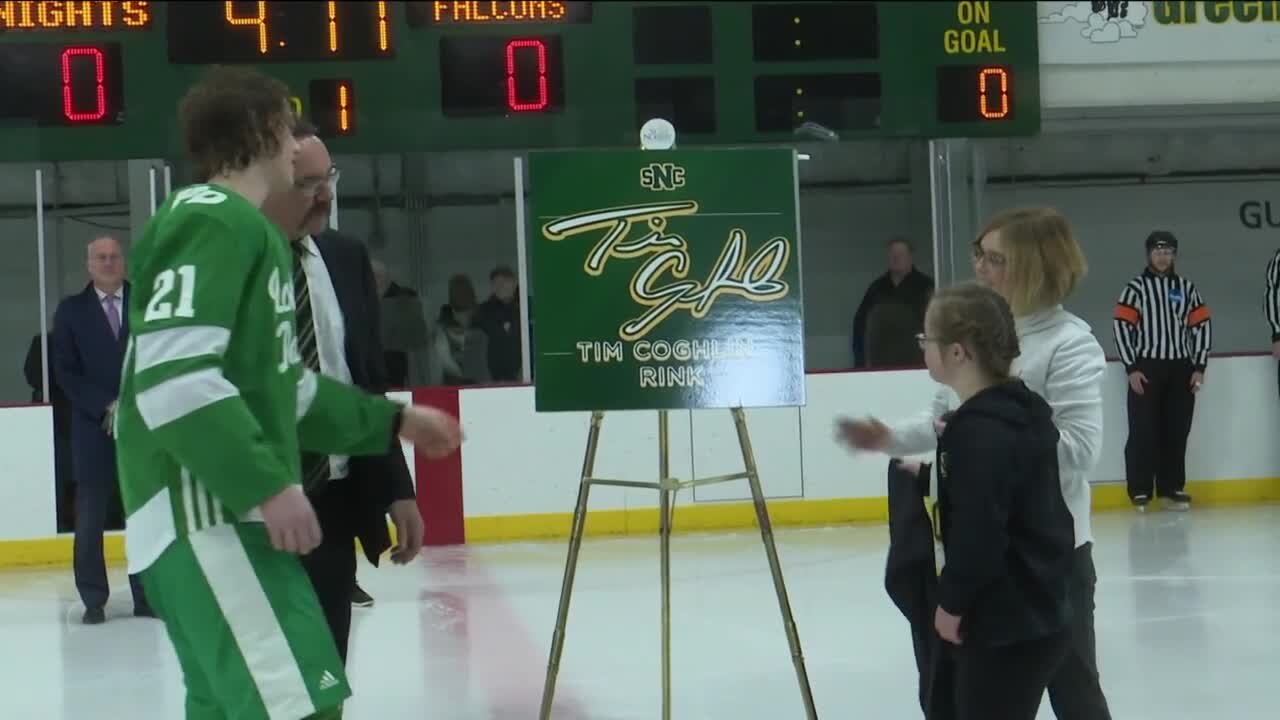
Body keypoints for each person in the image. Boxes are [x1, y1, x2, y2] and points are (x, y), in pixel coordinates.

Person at [113, 66, 462, 720]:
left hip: (214, 528)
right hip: (211, 522)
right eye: (288, 130)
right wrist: (267, 487)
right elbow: (173, 381)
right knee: (297, 708)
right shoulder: (216, 221)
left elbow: (285, 389)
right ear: (265, 133)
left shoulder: (248, 234)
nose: (298, 148)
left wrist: (391, 422)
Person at [839, 207, 1112, 720]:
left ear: (1033, 265)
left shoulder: (1069, 342)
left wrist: (990, 442)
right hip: (981, 556)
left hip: (1050, 553)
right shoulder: (987, 326)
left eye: (994, 258)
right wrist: (892, 437)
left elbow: (1079, 451)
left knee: (1075, 693)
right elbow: (946, 418)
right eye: (978, 255)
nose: (980, 268)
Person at [260, 117, 422, 641]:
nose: (324, 192)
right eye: (307, 183)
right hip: (253, 505)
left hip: (333, 499)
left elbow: (364, 384)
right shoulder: (235, 263)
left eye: (327, 176)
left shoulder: (346, 258)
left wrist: (398, 488)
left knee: (328, 668)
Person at [919, 281, 1076, 719]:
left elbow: (979, 533)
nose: (923, 347)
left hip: (1005, 625)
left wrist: (952, 604)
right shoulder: (1021, 411)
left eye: (927, 339)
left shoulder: (978, 432)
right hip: (1043, 609)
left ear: (957, 352)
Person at [51, 235, 151, 623]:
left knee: (143, 518)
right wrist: (105, 405)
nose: (109, 263)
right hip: (93, 430)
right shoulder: (71, 311)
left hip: (141, 428)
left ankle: (146, 595)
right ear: (89, 264)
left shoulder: (145, 304)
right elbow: (65, 371)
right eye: (101, 257)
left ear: (123, 262)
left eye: (114, 256)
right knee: (90, 519)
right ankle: (94, 599)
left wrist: (132, 404)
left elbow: (159, 358)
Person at [1114, 231, 1210, 513]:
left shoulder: (1187, 288)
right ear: (1148, 255)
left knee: (1177, 429)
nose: (1162, 256)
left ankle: (1171, 488)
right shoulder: (1134, 289)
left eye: (1168, 251)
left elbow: (1201, 326)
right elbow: (1121, 327)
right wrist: (1131, 367)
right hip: (1147, 367)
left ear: (1174, 255)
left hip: (1181, 367)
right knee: (1143, 430)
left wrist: (1199, 366)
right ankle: (1140, 490)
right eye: (1157, 251)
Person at [851, 236, 935, 368]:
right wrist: (861, 364)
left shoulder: (925, 286)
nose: (896, 258)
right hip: (880, 361)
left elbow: (934, 324)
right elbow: (860, 325)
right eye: (892, 254)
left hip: (916, 361)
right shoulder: (877, 288)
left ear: (910, 257)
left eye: (900, 254)